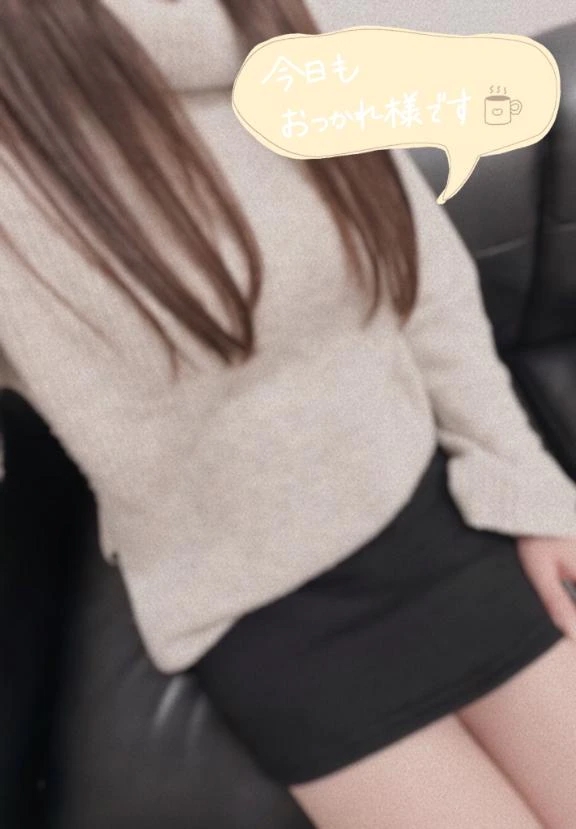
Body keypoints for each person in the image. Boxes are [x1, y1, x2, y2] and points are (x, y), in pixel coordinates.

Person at [1, 1, 576, 826]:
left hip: (436, 513)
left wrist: (525, 485)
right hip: (264, 608)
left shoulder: (269, 34)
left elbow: (425, 286)